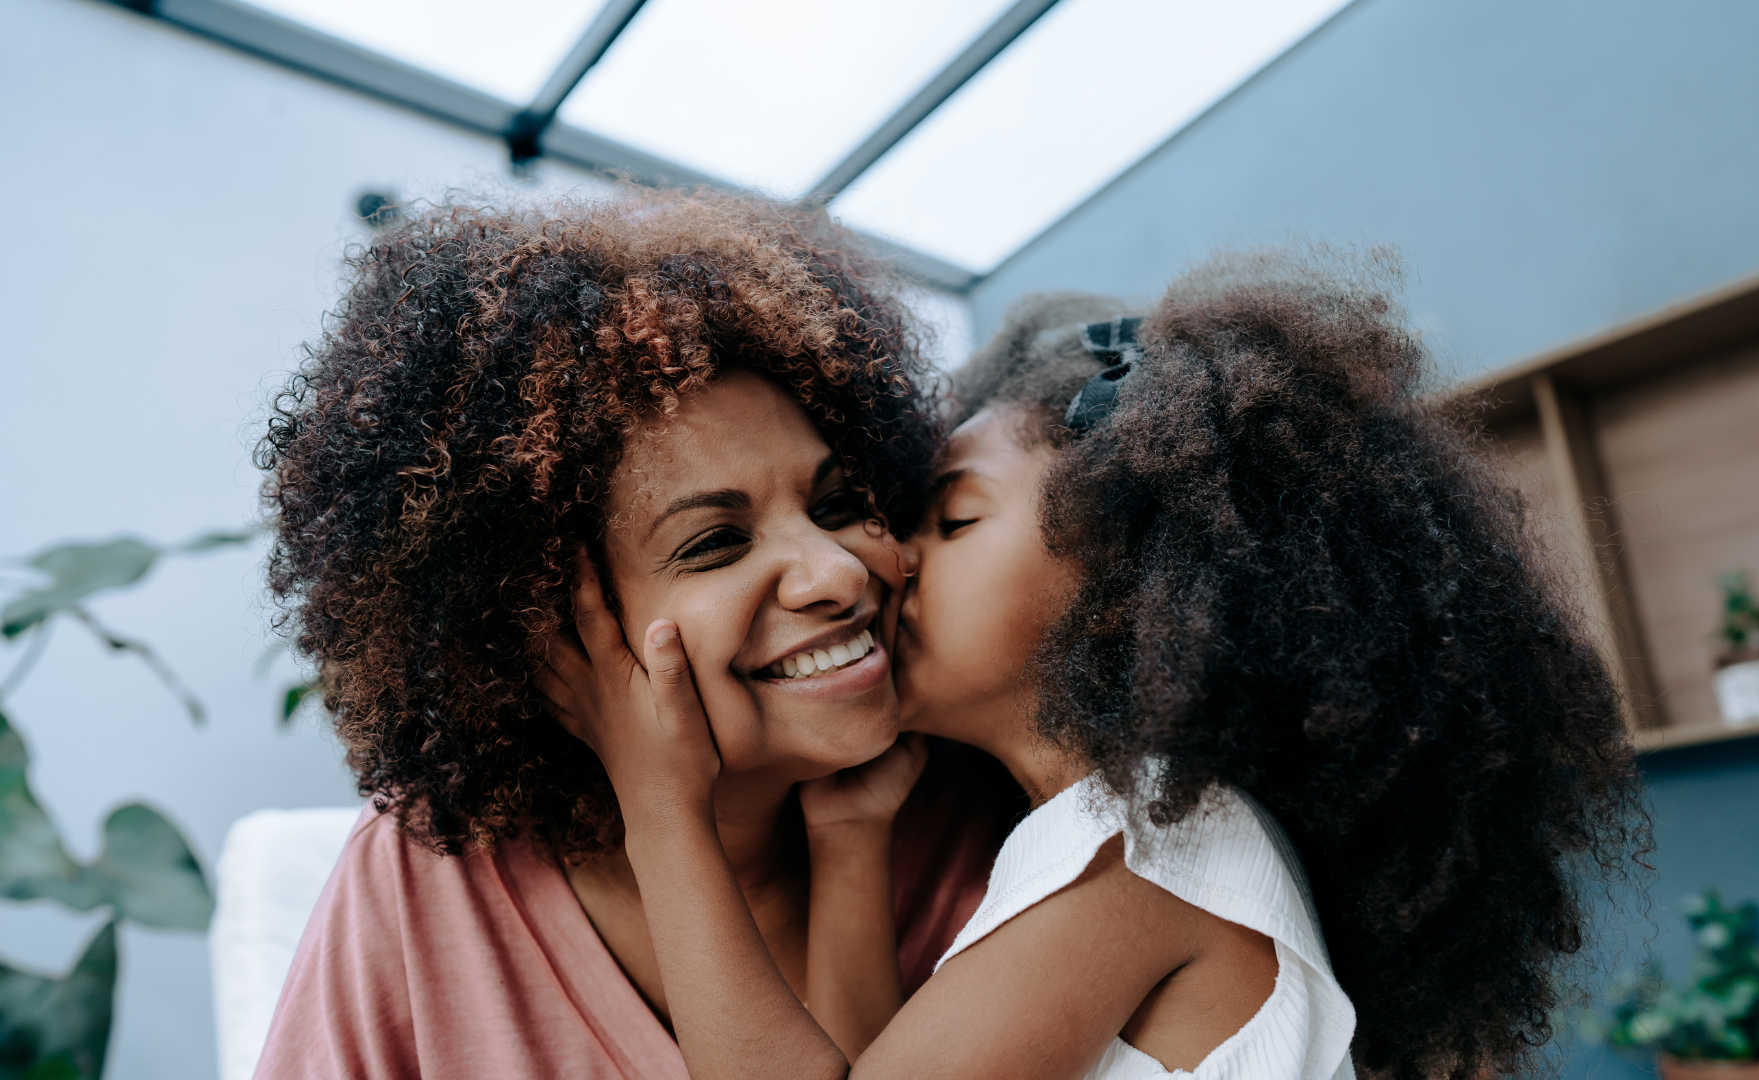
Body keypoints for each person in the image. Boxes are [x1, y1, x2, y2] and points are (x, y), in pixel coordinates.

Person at [546, 253, 1645, 1080]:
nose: (880, 556)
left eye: (953, 519)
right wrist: (850, 834)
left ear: (1131, 593)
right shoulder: (1105, 846)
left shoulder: (1143, 857)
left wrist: (662, 813)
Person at [250, 190, 1022, 1080]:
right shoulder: (426, 877)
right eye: (715, 543)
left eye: (839, 504)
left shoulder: (983, 816)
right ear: (540, 633)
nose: (839, 574)